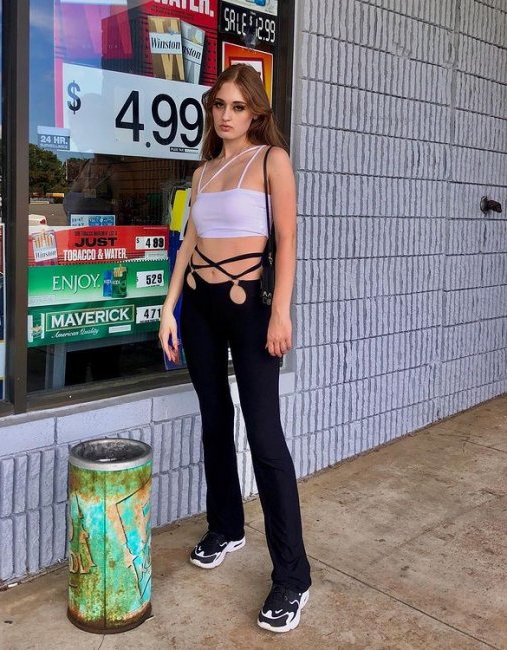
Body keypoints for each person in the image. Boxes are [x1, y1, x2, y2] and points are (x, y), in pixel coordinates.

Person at [158, 64, 311, 633]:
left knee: (265, 438)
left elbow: (288, 239)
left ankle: (292, 578)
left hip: (252, 310)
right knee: (213, 420)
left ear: (256, 112)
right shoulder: (202, 172)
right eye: (218, 105)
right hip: (198, 306)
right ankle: (226, 525)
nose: (225, 116)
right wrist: (168, 308)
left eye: (237, 107)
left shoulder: (272, 161)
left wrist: (279, 311)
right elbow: (187, 244)